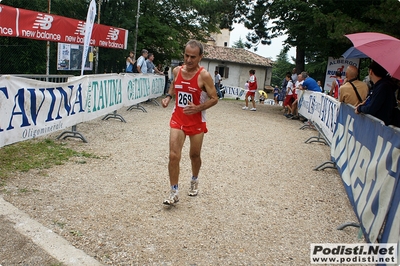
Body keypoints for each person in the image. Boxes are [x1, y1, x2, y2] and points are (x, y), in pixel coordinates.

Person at [161, 40, 218, 205]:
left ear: (200, 57)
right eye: (186, 55)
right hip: (178, 119)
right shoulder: (177, 71)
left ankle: (194, 179)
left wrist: (198, 107)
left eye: (193, 57)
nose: (188, 60)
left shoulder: (204, 76)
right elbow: (173, 85)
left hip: (196, 121)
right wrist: (168, 97)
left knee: (194, 155)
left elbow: (214, 99)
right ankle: (174, 192)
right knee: (173, 155)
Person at [355, 61, 398, 126]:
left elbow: (371, 109)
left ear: (371, 71)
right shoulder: (381, 85)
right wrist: (364, 105)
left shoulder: (382, 87)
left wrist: (360, 108)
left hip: (382, 128)